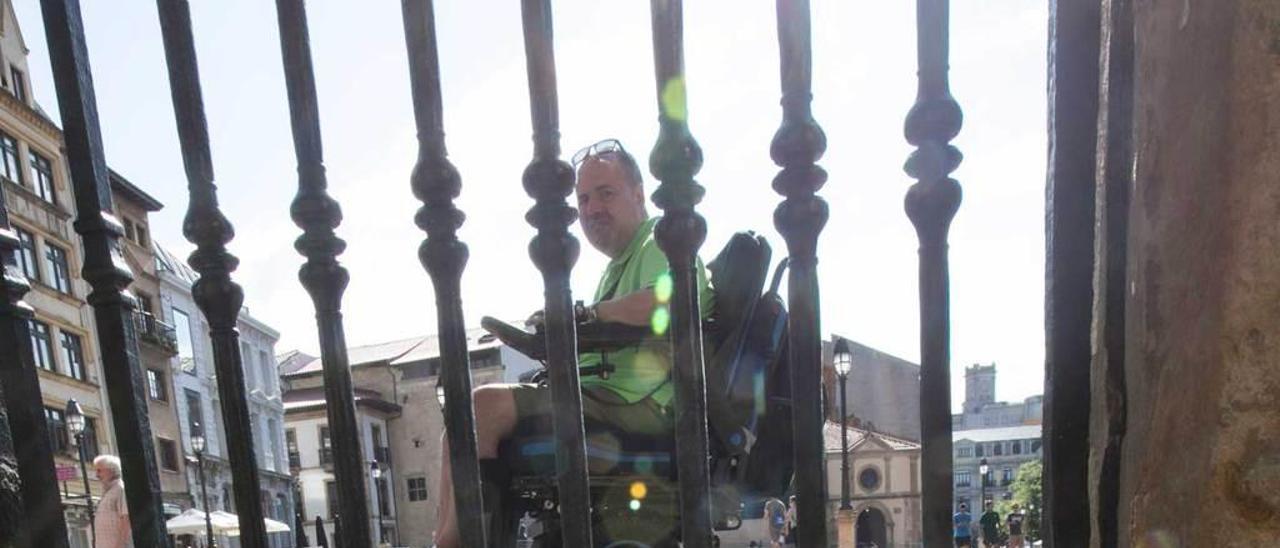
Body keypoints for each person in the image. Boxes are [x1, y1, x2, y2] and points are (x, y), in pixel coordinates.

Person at [432, 138, 714, 547]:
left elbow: (670, 299)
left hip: (638, 407)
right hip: (608, 399)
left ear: (638, 195)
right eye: (583, 199)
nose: (591, 208)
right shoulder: (619, 265)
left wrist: (587, 315)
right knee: (462, 422)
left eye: (606, 193)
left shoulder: (660, 240)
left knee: (480, 409)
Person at [93, 455, 131, 548]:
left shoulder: (120, 490)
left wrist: (120, 546)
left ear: (112, 470)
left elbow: (126, 520)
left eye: (99, 470)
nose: (96, 475)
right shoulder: (108, 491)